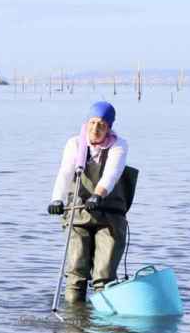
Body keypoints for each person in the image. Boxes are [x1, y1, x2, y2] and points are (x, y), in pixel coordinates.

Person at [48, 101, 132, 303]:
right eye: (92, 123)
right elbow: (65, 172)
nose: (95, 129)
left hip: (110, 216)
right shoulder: (75, 144)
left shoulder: (119, 145)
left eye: (101, 124)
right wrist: (57, 199)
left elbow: (112, 173)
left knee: (104, 274)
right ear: (86, 124)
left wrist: (98, 194)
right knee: (77, 269)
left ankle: (103, 325)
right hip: (79, 214)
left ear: (109, 127)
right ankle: (75, 320)